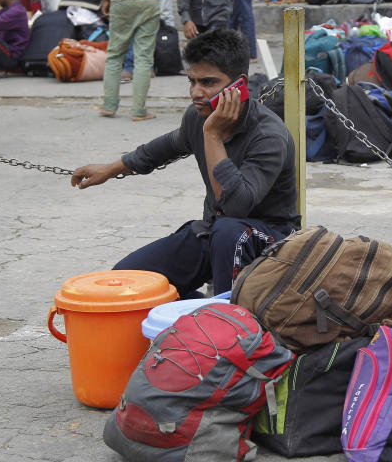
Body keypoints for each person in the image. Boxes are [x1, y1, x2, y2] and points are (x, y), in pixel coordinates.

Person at [70, 29, 300, 298]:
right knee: (128, 280)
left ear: (239, 84)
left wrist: (212, 136)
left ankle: (230, 324)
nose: (196, 92)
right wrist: (110, 169)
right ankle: (202, 311)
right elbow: (163, 148)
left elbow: (236, 206)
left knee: (229, 231)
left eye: (208, 82)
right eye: (192, 81)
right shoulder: (197, 116)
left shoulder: (269, 135)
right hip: (216, 233)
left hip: (271, 239)